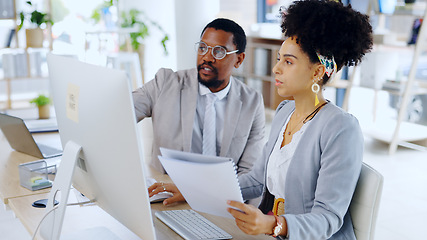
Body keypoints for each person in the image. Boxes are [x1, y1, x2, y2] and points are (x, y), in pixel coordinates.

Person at [224, 1, 373, 239]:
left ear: (316, 72)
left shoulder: (341, 128)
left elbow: (328, 218)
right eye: (279, 58)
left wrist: (272, 225)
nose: (276, 69)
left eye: (288, 61)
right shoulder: (285, 111)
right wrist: (196, 190)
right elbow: (256, 179)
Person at [133, 18, 265, 176]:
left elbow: (249, 172)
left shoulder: (252, 102)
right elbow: (122, 111)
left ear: (239, 59)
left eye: (219, 51)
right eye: (203, 48)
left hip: (222, 195)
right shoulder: (165, 83)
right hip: (168, 190)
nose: (207, 57)